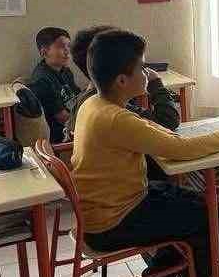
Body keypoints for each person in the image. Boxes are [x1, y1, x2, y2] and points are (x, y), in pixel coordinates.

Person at [73, 30, 219, 277]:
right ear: (121, 81)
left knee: (192, 204)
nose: (147, 73)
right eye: (141, 67)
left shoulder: (94, 104)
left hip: (110, 206)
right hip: (113, 222)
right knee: (215, 221)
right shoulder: (117, 118)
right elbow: (179, 149)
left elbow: (159, 133)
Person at [69, 24, 181, 184]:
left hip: (111, 182)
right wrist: (156, 84)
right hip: (128, 187)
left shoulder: (88, 100)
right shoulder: (108, 108)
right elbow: (167, 121)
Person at [30, 27, 83, 145]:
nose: (67, 51)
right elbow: (62, 118)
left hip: (75, 121)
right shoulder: (41, 80)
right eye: (61, 47)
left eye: (69, 46)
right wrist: (89, 123)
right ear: (44, 52)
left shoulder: (65, 71)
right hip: (63, 134)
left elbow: (78, 98)